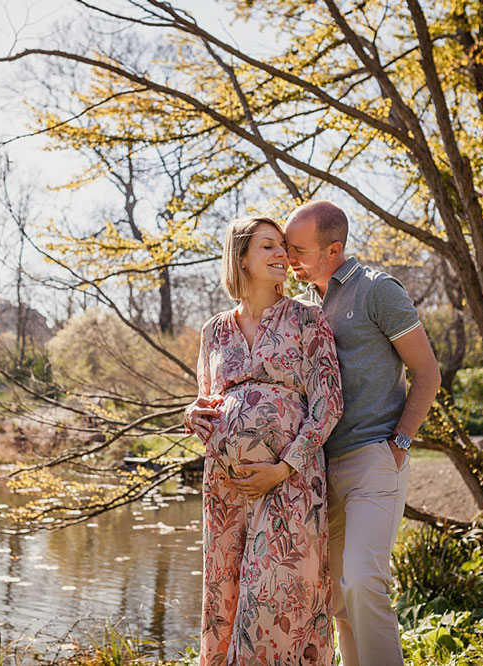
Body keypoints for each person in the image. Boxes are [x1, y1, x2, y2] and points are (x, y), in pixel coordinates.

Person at [285, 200, 441, 666]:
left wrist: (400, 443)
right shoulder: (306, 306)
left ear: (333, 249)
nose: (289, 257)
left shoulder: (378, 291)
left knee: (364, 581)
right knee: (335, 595)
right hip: (320, 469)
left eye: (299, 249)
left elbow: (428, 373)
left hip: (374, 456)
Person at [184, 216, 343, 665]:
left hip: (289, 481)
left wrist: (284, 466)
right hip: (225, 485)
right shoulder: (214, 330)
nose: (281, 255)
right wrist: (192, 414)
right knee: (225, 596)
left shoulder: (306, 318)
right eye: (268, 247)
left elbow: (328, 402)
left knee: (274, 600)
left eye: (283, 247)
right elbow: (206, 399)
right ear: (241, 258)